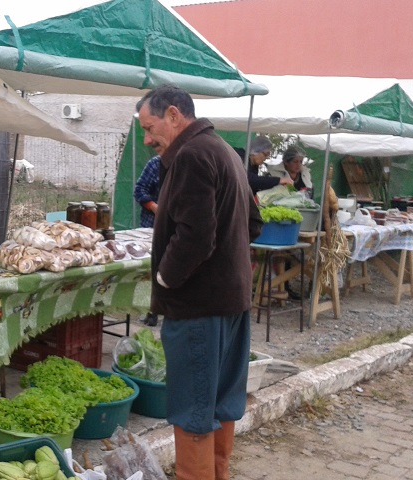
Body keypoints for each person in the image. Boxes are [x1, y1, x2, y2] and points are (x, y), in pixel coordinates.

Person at [136, 85, 263, 480]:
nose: (147, 138)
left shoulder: (191, 155)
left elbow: (195, 236)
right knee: (221, 402)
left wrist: (165, 277)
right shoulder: (223, 149)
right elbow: (254, 223)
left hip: (198, 309)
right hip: (231, 303)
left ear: (174, 115)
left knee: (193, 409)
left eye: (150, 127)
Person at [133, 155, 161, 327]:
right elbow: (139, 190)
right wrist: (155, 207)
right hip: (151, 227)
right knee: (152, 268)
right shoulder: (155, 164)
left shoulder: (189, 164)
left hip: (178, 228)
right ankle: (152, 311)